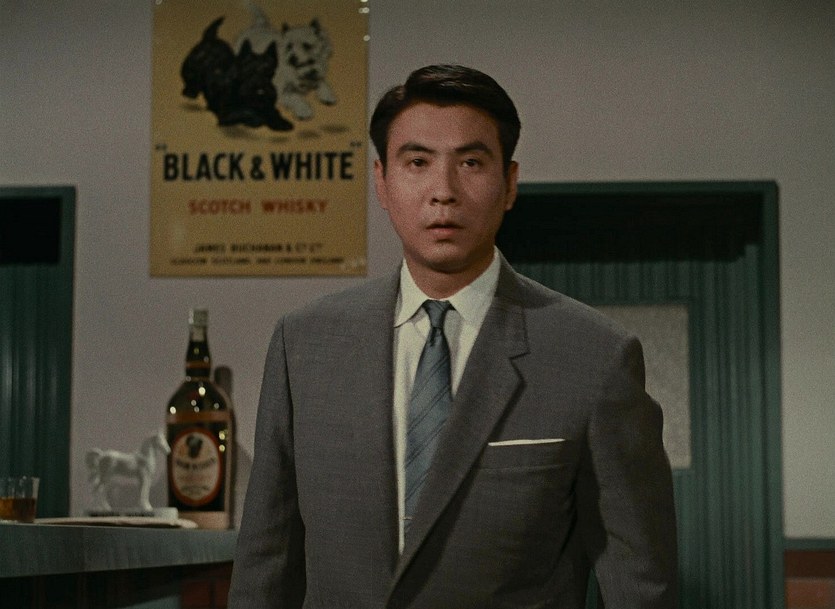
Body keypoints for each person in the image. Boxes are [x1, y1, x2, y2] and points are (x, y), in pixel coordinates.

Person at [228, 64, 678, 608]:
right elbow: (266, 564)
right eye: (417, 162)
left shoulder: (592, 355)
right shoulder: (305, 345)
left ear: (509, 183)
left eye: (471, 163)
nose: (443, 191)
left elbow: (640, 584)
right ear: (381, 182)